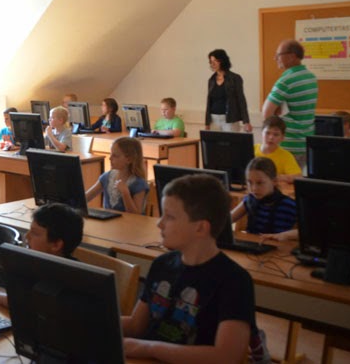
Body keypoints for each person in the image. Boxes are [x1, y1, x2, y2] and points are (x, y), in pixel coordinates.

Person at [123, 174, 260, 362]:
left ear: (200, 228)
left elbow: (227, 356)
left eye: (169, 217)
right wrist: (90, 319)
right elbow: (136, 325)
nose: (159, 223)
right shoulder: (162, 264)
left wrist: (150, 348)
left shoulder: (234, 281)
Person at [0, 203, 84, 307]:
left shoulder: (70, 282)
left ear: (56, 245)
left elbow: (32, 305)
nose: (26, 236)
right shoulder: (37, 265)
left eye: (35, 233)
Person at [262, 39, 318, 166]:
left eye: (278, 55)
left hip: (287, 145)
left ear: (292, 56)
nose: (275, 58)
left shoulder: (286, 80)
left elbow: (266, 114)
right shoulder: (311, 77)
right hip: (305, 143)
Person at [230, 158, 297, 235]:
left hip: (277, 243)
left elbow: (308, 231)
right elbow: (226, 220)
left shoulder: (289, 205)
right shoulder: (249, 200)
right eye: (250, 182)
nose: (254, 188)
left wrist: (285, 235)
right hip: (253, 242)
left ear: (274, 181)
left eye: (260, 183)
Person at [85, 137, 149, 213]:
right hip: (108, 220)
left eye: (115, 155)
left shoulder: (139, 184)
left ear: (129, 159)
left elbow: (136, 215)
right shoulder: (107, 177)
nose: (110, 158)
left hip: (129, 221)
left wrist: (125, 193)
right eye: (111, 154)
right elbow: (85, 198)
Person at [205, 49, 252, 133]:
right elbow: (209, 102)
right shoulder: (211, 80)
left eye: (215, 61)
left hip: (230, 119)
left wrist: (246, 121)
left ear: (222, 61)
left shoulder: (235, 78)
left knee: (231, 141)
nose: (213, 64)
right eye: (211, 62)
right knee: (214, 141)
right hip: (213, 119)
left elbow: (241, 100)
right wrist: (207, 122)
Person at [254, 116, 302, 183]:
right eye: (267, 133)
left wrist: (278, 177)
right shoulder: (252, 149)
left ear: (282, 138)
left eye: (276, 135)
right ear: (261, 133)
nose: (271, 137)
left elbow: (298, 177)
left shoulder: (286, 156)